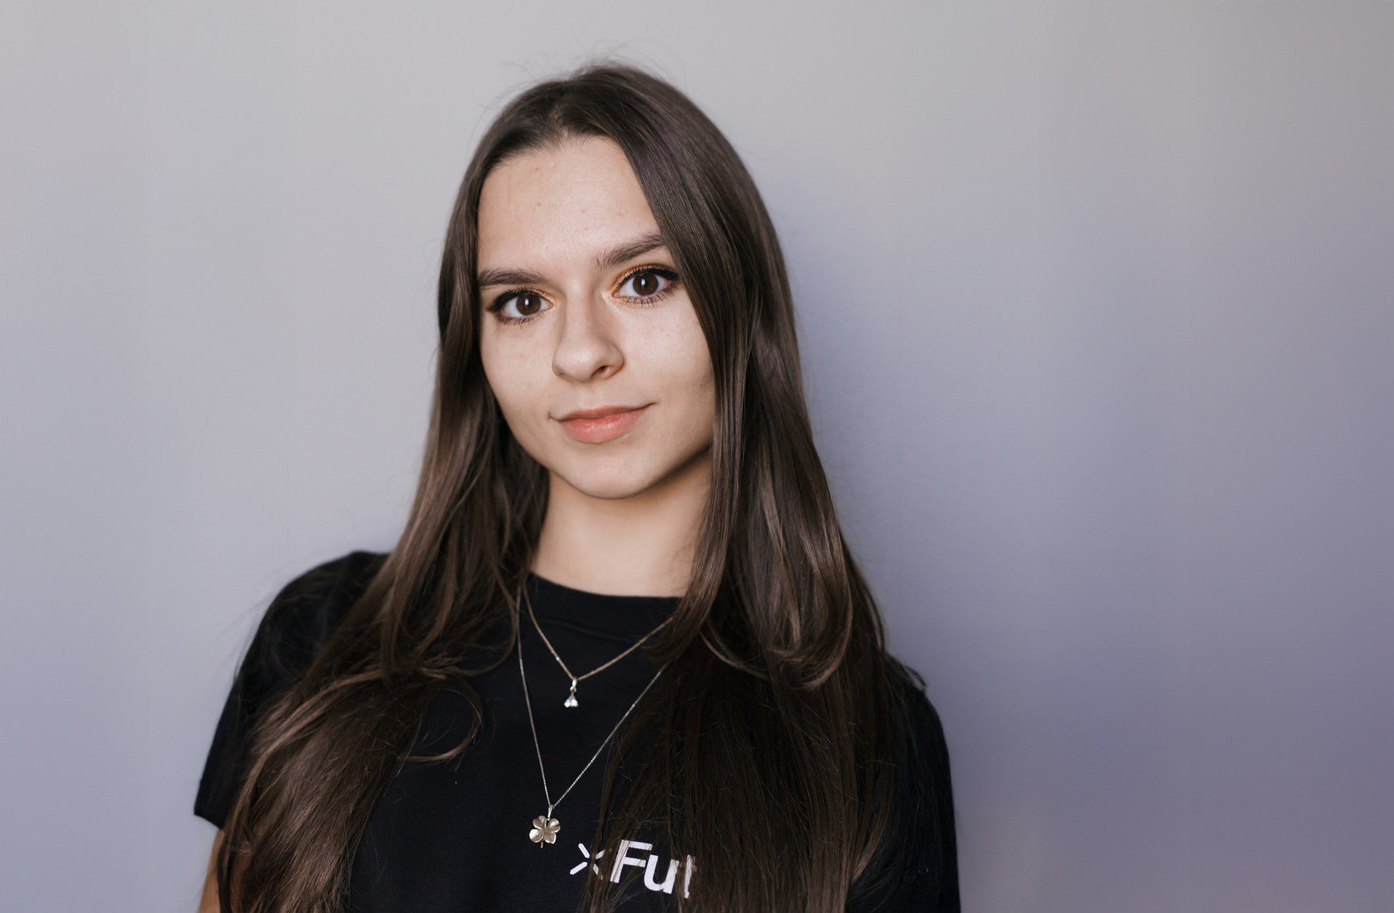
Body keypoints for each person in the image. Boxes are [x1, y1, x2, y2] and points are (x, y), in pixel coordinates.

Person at [193, 63, 958, 913]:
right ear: (475, 345)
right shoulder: (325, 638)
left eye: (645, 280)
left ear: (738, 305)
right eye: (523, 301)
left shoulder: (863, 736)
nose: (581, 351)